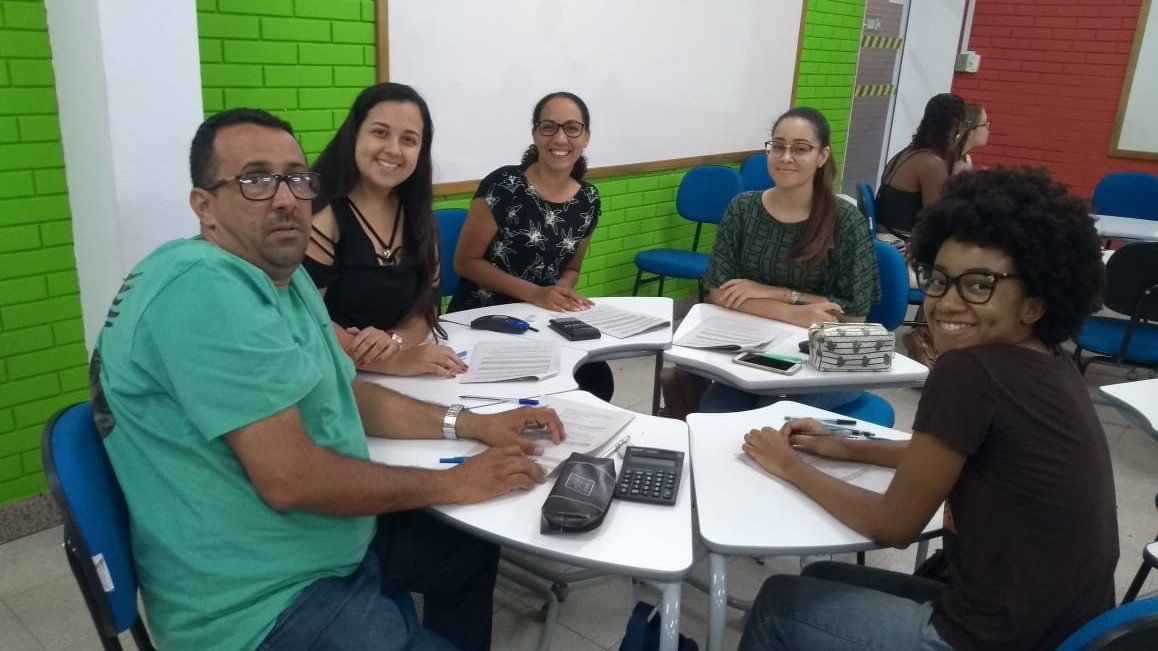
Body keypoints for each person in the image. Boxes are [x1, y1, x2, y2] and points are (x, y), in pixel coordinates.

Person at [89, 108, 569, 651]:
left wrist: (475, 424)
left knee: (466, 552)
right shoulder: (204, 288)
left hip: (323, 543)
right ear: (204, 205)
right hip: (262, 603)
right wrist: (452, 483)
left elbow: (345, 391)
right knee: (454, 521)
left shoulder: (280, 275)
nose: (285, 198)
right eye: (255, 180)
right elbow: (291, 478)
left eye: (297, 178)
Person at [737, 167, 1117, 651]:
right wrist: (842, 447)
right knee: (821, 578)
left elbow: (894, 526)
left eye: (979, 285)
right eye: (940, 280)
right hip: (1061, 627)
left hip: (997, 636)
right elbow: (956, 455)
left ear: (1034, 304)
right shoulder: (1049, 362)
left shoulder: (970, 372)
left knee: (779, 604)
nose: (946, 304)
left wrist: (790, 465)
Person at [664, 107, 879, 416]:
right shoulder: (743, 209)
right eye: (778, 146)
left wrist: (770, 292)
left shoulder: (846, 221)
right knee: (715, 410)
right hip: (755, 346)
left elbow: (851, 317)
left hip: (826, 359)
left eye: (800, 149)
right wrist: (798, 313)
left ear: (822, 156)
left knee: (769, 413)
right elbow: (720, 291)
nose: (785, 157)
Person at [450, 91, 613, 401]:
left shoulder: (588, 199)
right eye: (549, 127)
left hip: (541, 319)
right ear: (536, 134)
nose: (560, 138)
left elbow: (572, 268)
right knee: (522, 392)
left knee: (596, 379)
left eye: (572, 128)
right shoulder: (504, 185)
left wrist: (562, 289)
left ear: (586, 137)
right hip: (483, 318)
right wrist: (536, 293)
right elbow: (466, 262)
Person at [305, 82, 466, 378]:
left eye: (409, 139)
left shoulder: (416, 213)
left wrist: (395, 341)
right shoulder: (322, 216)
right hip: (336, 375)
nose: (393, 149)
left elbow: (426, 307)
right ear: (354, 135)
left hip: (401, 369)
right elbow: (307, 318)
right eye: (380, 133)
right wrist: (391, 362)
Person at [875, 93, 966, 239]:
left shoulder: (907, 152)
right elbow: (936, 221)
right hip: (901, 241)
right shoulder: (932, 164)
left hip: (884, 236)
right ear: (958, 126)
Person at [949, 103, 989, 175]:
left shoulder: (967, 161)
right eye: (985, 124)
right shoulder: (943, 161)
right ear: (970, 132)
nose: (988, 129)